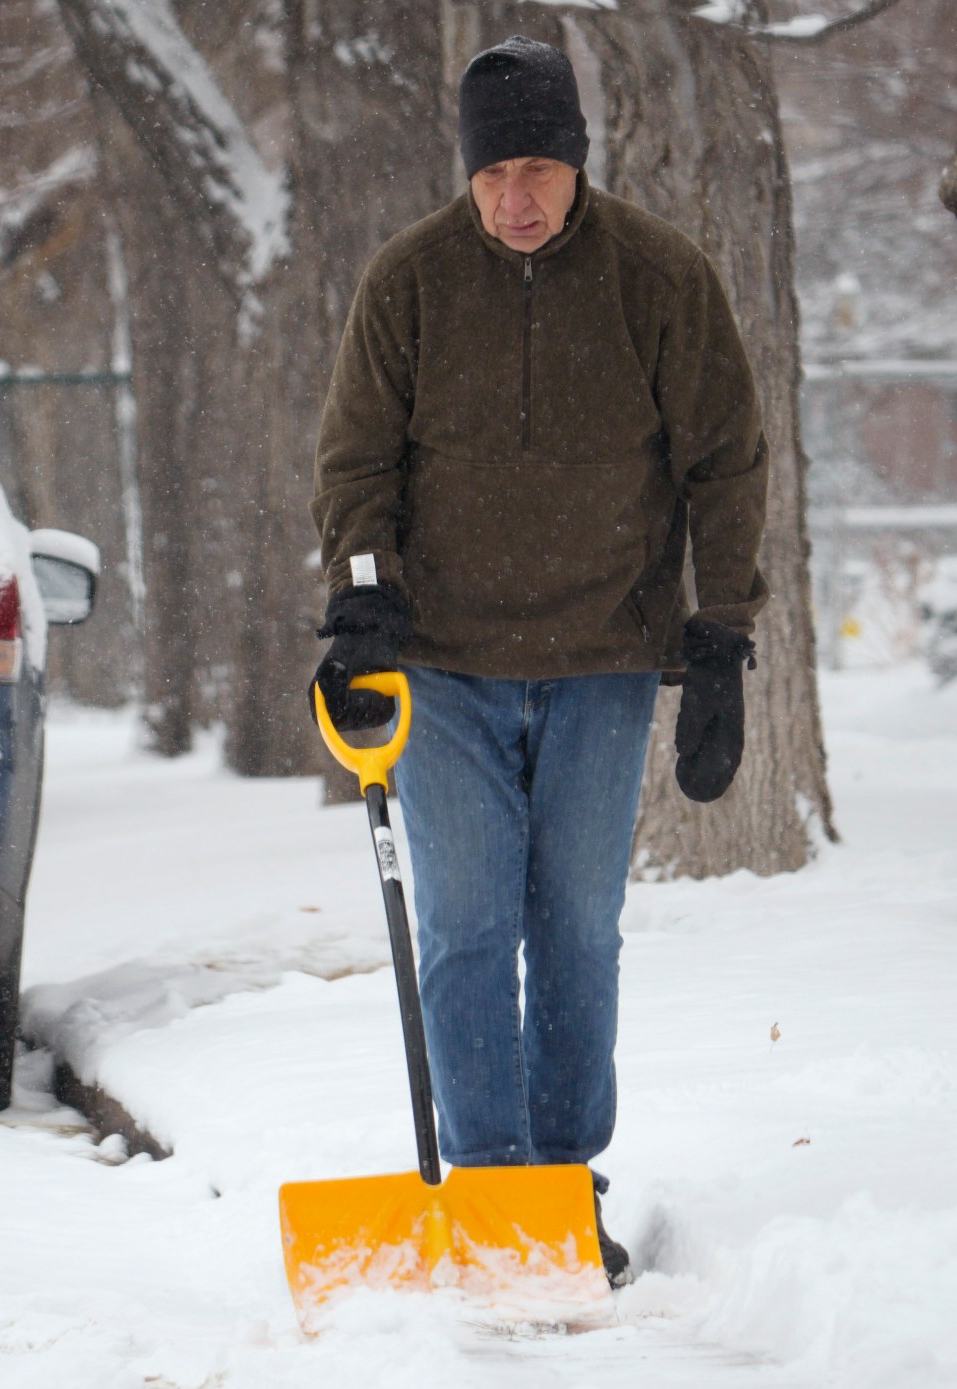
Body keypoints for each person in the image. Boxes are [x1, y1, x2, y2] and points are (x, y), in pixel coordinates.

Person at [309, 35, 769, 1286]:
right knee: (463, 927)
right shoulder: (407, 283)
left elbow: (723, 456)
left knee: (575, 926)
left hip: (603, 656)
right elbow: (356, 462)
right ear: (466, 172)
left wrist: (720, 631)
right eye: (494, 171)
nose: (517, 197)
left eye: (540, 168)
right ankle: (495, 1186)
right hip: (445, 664)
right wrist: (360, 606)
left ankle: (566, 1179)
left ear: (579, 160)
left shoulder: (659, 279)